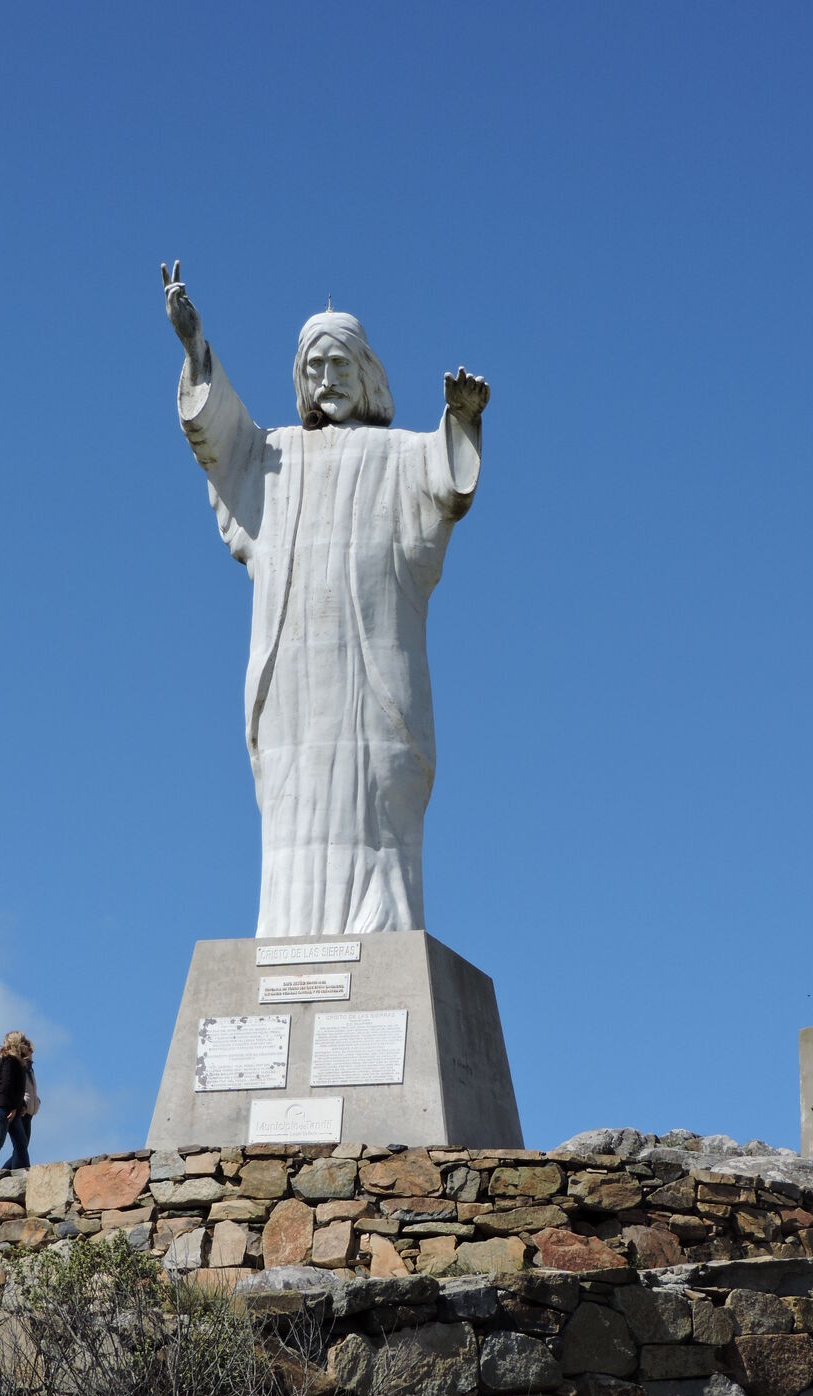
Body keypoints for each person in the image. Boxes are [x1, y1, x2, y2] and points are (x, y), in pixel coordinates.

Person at [163, 262, 490, 939]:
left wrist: (459, 421)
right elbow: (218, 443)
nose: (327, 379)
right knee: (294, 807)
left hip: (372, 677)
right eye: (314, 367)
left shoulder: (399, 455)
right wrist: (197, 352)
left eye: (340, 364)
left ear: (367, 373)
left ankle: (382, 932)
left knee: (376, 799)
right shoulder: (272, 458)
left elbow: (448, 488)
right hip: (296, 683)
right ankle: (287, 934)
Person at [0, 1031, 32, 1170]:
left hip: (11, 1108)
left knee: (21, 1142)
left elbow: (17, 1089)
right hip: (2, 1107)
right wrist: (13, 1107)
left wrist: (19, 1106)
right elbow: (7, 1085)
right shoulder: (9, 1060)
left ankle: (24, 1171)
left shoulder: (17, 1062)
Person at [2, 1044, 40, 1169]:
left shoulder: (30, 1069)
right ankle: (15, 1173)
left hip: (29, 1113)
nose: (31, 1054)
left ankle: (4, 1172)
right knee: (21, 1146)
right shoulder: (20, 1067)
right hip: (20, 1111)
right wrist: (21, 1103)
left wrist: (36, 1101)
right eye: (30, 1051)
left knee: (21, 1147)